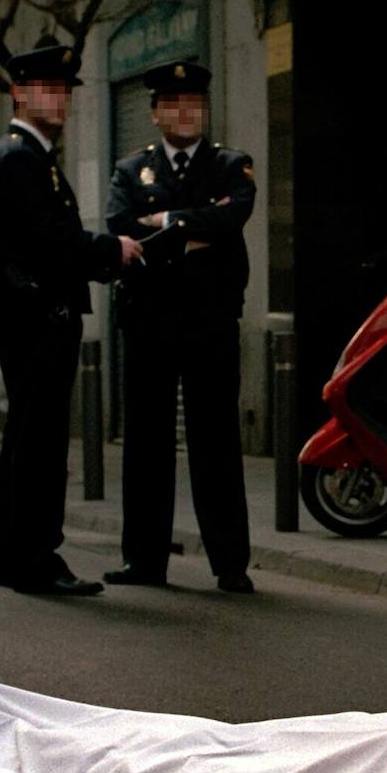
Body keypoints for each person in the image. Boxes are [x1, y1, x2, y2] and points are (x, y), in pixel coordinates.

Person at [0, 36, 142, 596]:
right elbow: (51, 241)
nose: (59, 98)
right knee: (40, 441)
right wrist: (110, 251)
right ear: (18, 93)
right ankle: (34, 560)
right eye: (46, 88)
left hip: (35, 310)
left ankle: (21, 559)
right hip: (35, 313)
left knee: (33, 439)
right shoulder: (20, 159)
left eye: (64, 89)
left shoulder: (30, 158)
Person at [105, 60, 257, 594]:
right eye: (172, 103)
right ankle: (144, 561)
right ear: (154, 113)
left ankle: (230, 564)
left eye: (194, 101)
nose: (185, 111)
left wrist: (163, 223)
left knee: (215, 439)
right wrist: (195, 226)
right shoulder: (131, 170)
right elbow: (120, 227)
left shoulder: (230, 164)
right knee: (146, 442)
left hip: (211, 320)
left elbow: (234, 214)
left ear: (206, 109)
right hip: (148, 322)